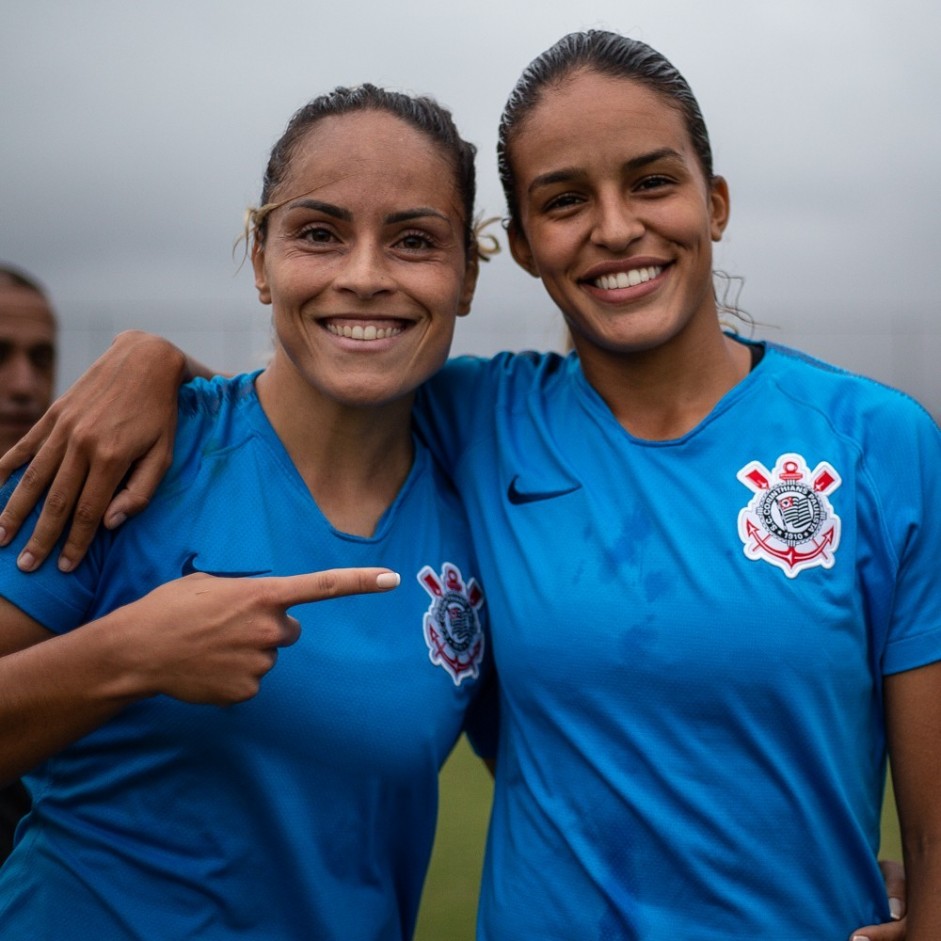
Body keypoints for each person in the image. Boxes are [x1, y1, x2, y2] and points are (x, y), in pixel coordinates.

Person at [0, 32, 929, 941]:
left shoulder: (868, 441)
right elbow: (281, 412)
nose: (615, 227)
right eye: (565, 199)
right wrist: (145, 375)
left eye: (651, 180)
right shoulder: (138, 466)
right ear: (521, 245)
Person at [0, 84, 493, 940]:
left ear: (466, 278)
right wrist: (130, 651)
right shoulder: (121, 458)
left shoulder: (483, 506)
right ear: (261, 259)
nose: (365, 274)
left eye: (414, 240)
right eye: (318, 232)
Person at [0, 264, 57, 861]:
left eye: (41, 359)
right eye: (0, 354)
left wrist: (162, 361)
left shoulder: (91, 517)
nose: (23, 385)